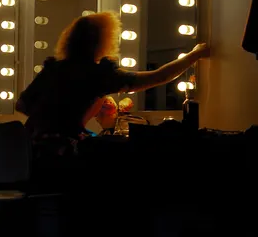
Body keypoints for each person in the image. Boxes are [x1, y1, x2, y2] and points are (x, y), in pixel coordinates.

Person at [16, 11, 210, 158]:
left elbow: (22, 105)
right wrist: (195, 54)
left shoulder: (53, 70)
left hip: (27, 151)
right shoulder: (97, 74)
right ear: (102, 41)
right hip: (60, 154)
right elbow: (159, 77)